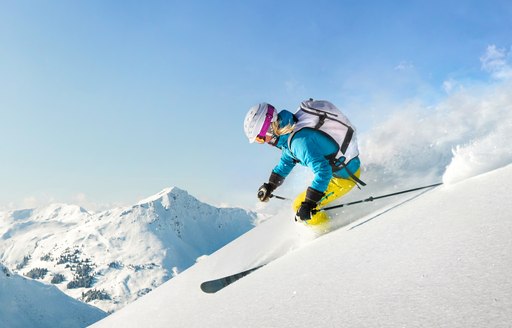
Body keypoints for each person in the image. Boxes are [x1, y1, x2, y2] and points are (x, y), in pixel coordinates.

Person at [243, 99, 364, 225]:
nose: (262, 142)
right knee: (303, 202)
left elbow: (323, 171)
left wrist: (309, 203)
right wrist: (270, 185)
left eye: (260, 137)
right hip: (344, 169)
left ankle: (331, 231)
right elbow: (286, 161)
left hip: (345, 178)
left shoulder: (299, 142)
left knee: (298, 206)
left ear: (269, 127)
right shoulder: (290, 132)